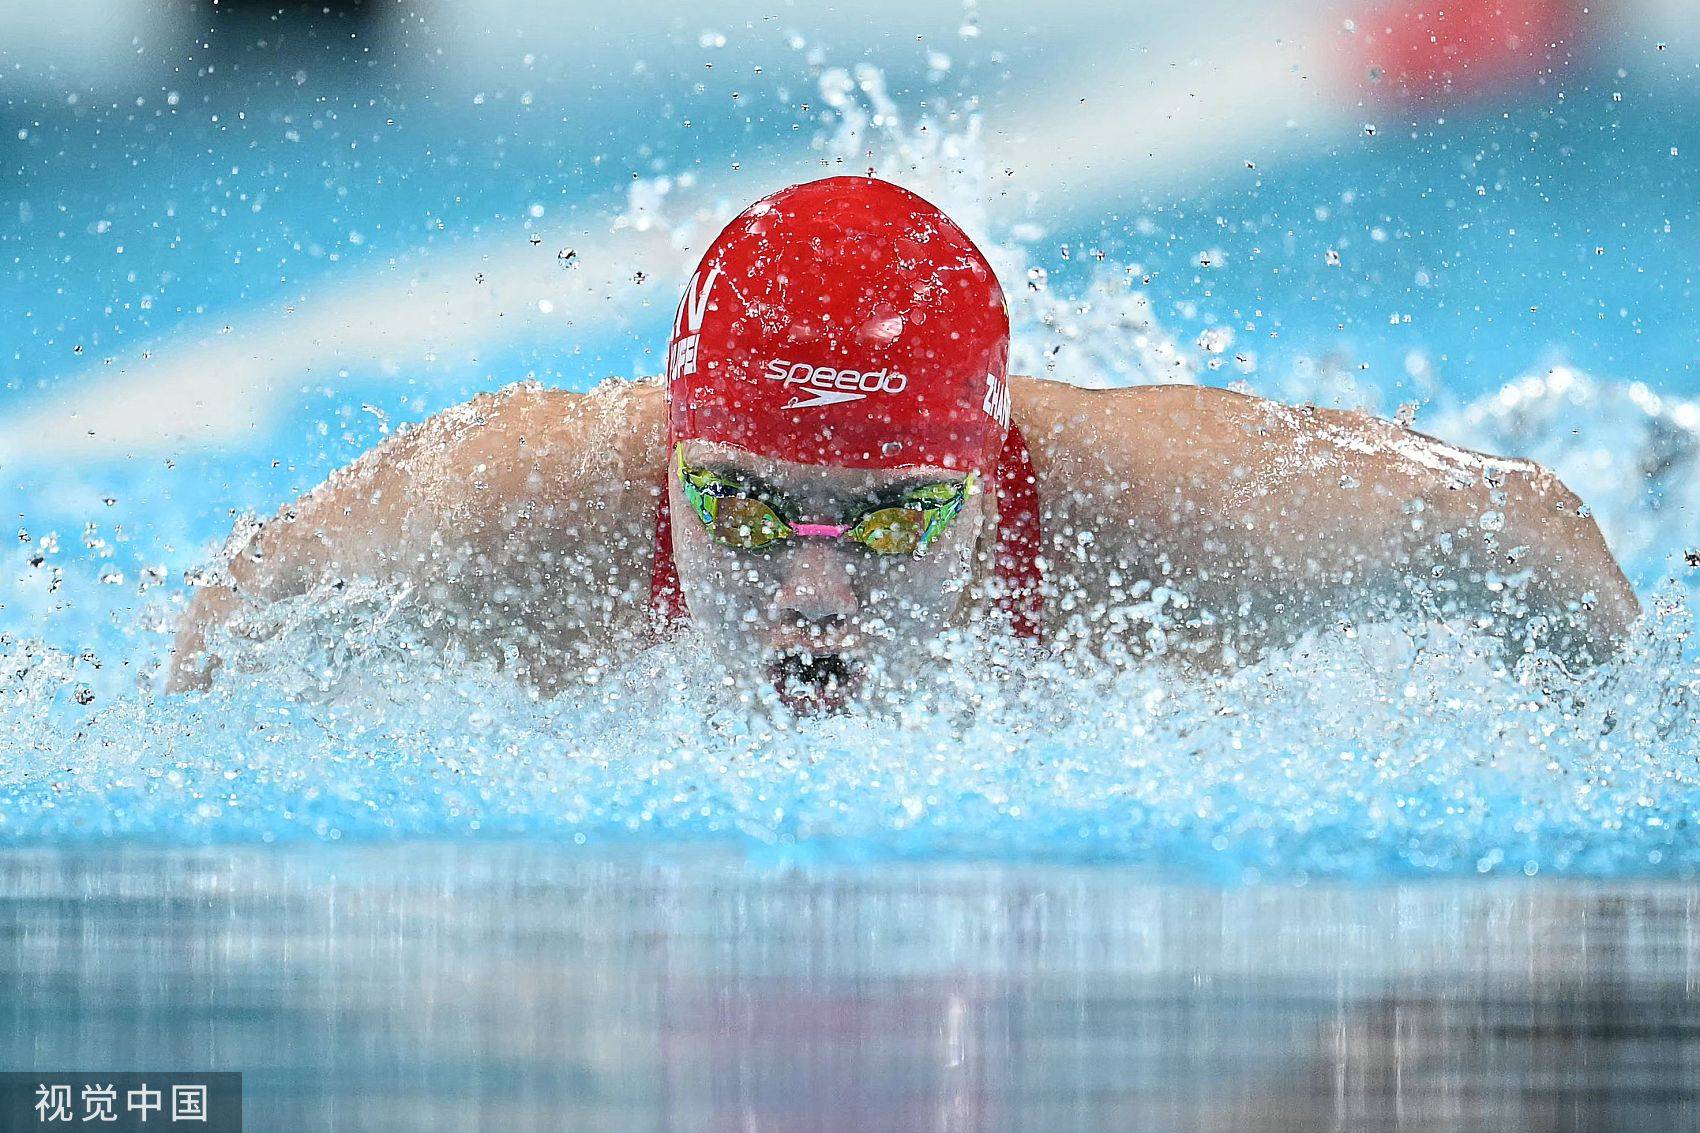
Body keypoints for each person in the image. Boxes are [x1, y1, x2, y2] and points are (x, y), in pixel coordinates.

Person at [170, 177, 1639, 712]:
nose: (811, 591)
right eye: (741, 503)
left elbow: (1542, 535)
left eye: (887, 518)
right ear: (671, 459)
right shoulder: (515, 507)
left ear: (987, 486)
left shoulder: (1192, 519)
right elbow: (237, 616)